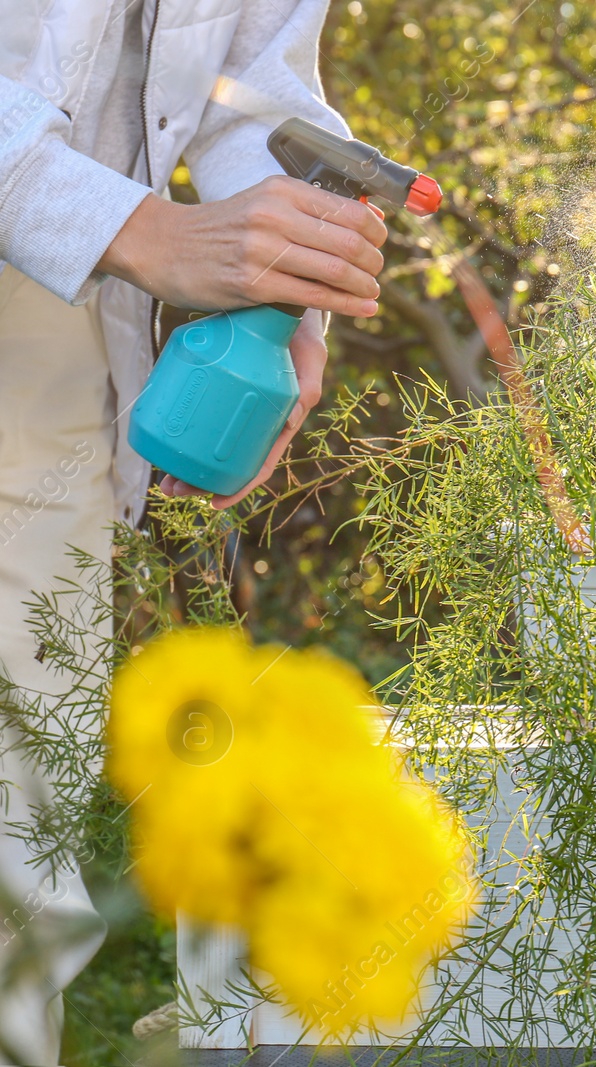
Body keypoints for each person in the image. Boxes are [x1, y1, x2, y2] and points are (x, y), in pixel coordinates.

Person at [0, 2, 384, 1060]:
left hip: (53, 327)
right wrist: (145, 232)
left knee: (15, 872)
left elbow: (253, 93)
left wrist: (286, 282)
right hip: (88, 243)